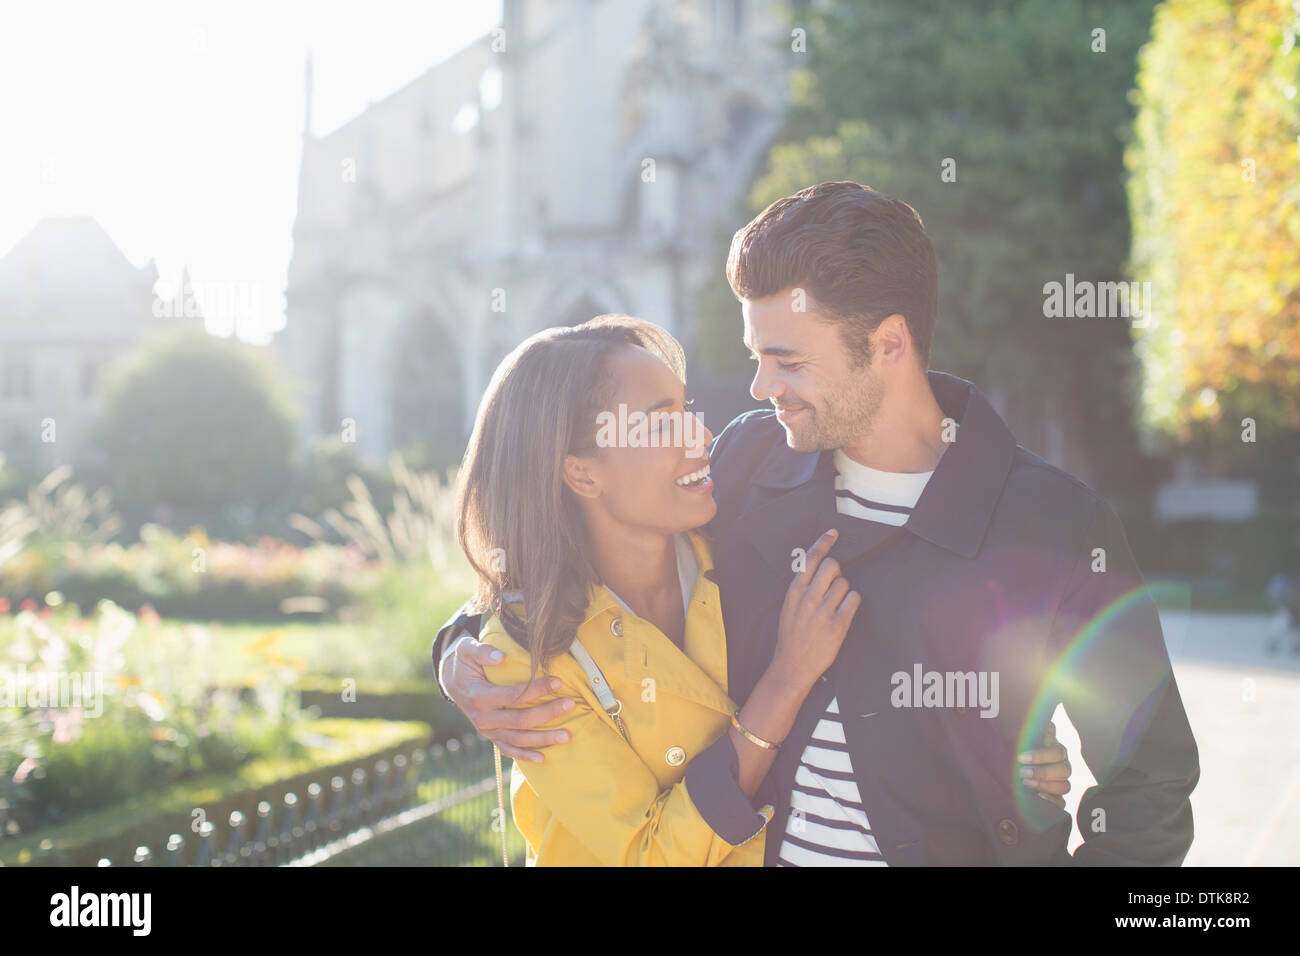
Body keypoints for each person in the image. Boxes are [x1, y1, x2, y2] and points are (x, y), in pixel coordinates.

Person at [437, 181, 1196, 866]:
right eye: (756, 356)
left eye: (788, 361)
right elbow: (581, 551)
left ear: (888, 344)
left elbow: (1149, 786)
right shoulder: (744, 468)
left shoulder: (1057, 526)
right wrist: (463, 652)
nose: (760, 386)